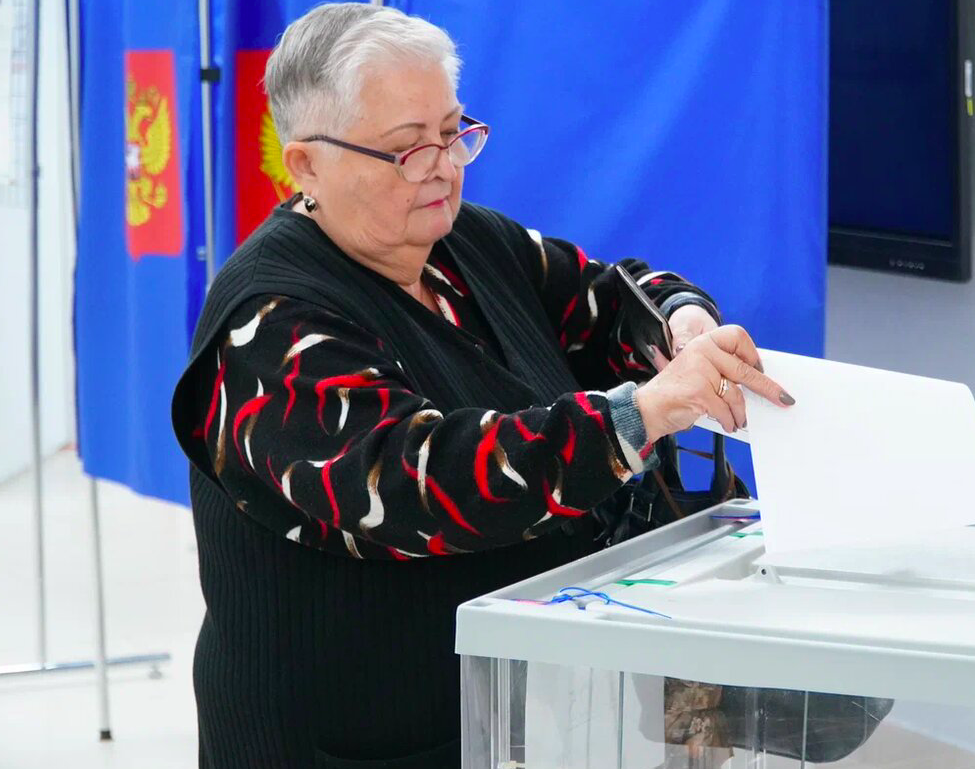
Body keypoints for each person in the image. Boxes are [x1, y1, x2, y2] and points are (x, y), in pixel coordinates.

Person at [170, 4, 792, 767]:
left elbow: (609, 298)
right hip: (344, 736)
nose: (442, 165)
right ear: (305, 165)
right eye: (407, 149)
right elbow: (416, 479)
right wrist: (642, 413)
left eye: (454, 132)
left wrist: (682, 324)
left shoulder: (461, 240)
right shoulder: (268, 323)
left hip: (503, 714)